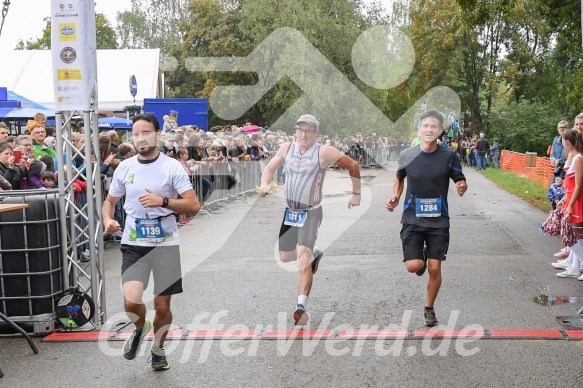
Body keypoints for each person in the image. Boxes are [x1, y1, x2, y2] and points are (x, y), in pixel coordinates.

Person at [101, 114, 200, 371]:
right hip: (134, 242)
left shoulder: (171, 167)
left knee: (162, 304)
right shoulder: (125, 167)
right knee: (131, 300)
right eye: (136, 134)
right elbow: (109, 202)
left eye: (146, 132)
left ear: (157, 134)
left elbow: (193, 204)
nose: (141, 138)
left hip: (165, 243)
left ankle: (158, 348)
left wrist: (163, 201)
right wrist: (107, 219)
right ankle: (138, 327)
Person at [259, 114, 361, 325]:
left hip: (311, 212)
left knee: (302, 257)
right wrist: (264, 183)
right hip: (290, 212)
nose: (303, 134)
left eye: (308, 131)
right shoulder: (286, 148)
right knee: (287, 257)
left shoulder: (324, 152)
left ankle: (300, 306)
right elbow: (269, 169)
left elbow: (353, 165)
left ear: (316, 133)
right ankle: (313, 257)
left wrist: (356, 193)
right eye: (300, 130)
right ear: (295, 131)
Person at [386, 110, 468, 327]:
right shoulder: (407, 155)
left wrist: (462, 186)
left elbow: (460, 178)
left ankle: (429, 308)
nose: (429, 129)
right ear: (419, 129)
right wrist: (395, 195)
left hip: (439, 220)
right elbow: (399, 177)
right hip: (412, 217)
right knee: (413, 266)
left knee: (434, 268)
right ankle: (420, 256)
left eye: (434, 126)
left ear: (441, 130)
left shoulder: (449, 156)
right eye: (426, 126)